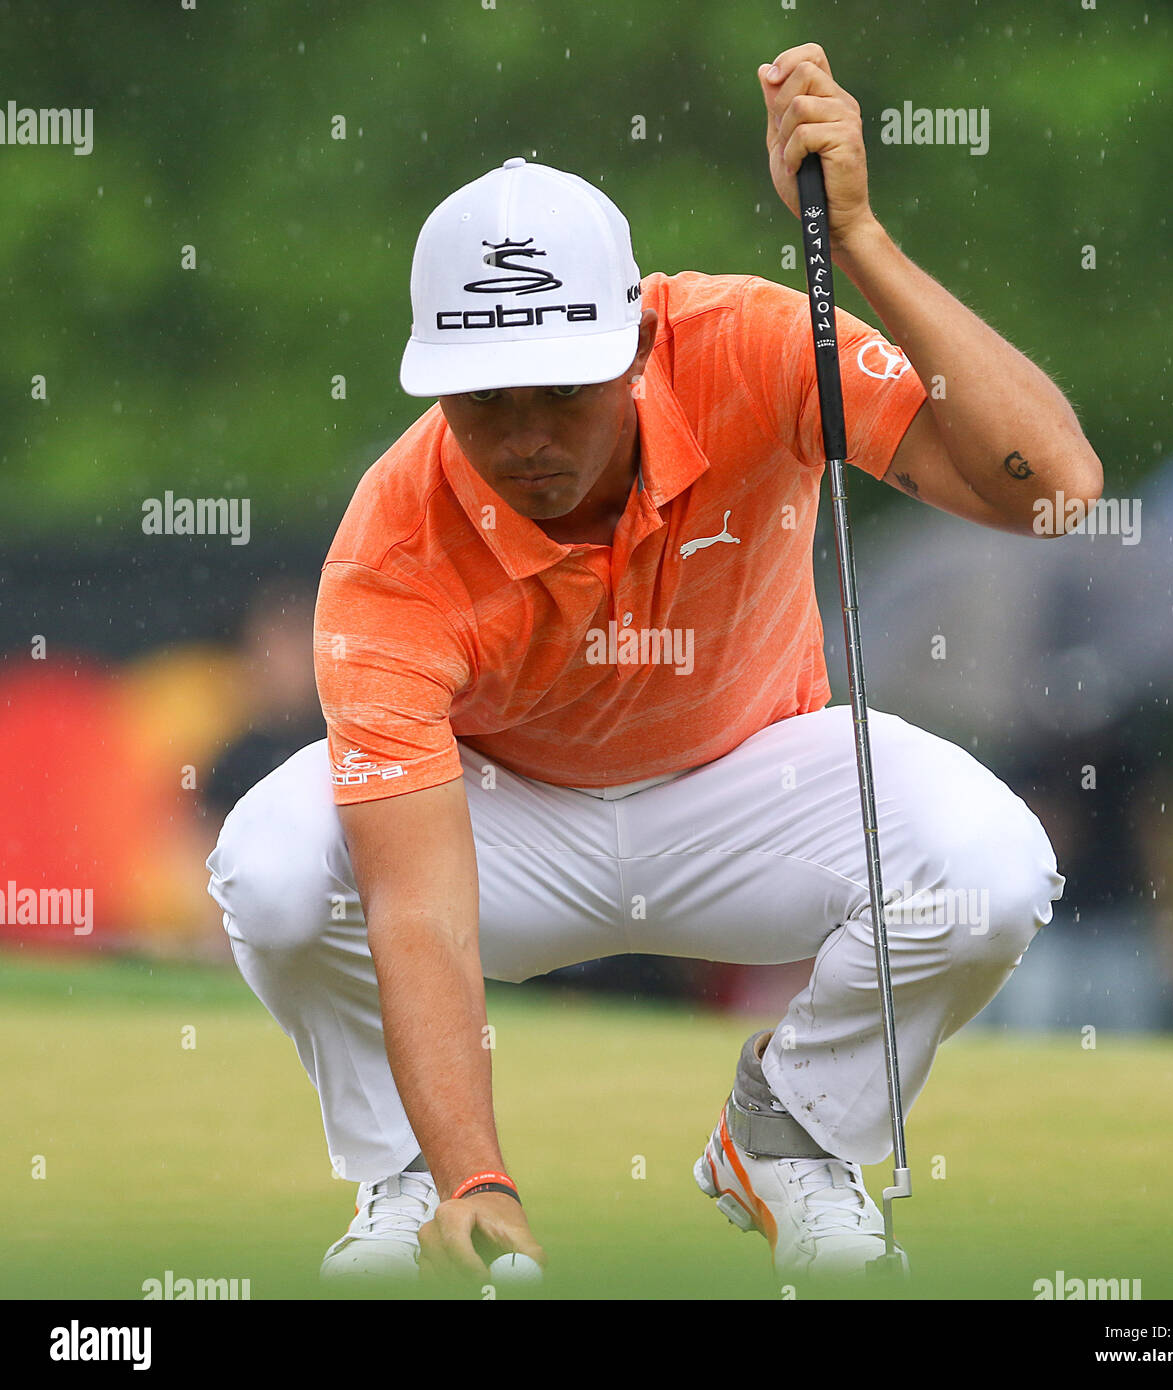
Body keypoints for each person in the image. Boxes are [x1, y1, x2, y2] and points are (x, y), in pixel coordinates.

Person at [206, 43, 1100, 1284]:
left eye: (560, 393)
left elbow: (1052, 492)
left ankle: (786, 1136)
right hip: (504, 824)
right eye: (483, 399)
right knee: (270, 868)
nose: (521, 440)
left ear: (632, 341)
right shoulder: (388, 546)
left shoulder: (750, 346)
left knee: (992, 865)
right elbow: (411, 909)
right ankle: (410, 1181)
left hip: (751, 791)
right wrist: (479, 1173)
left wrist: (862, 244)